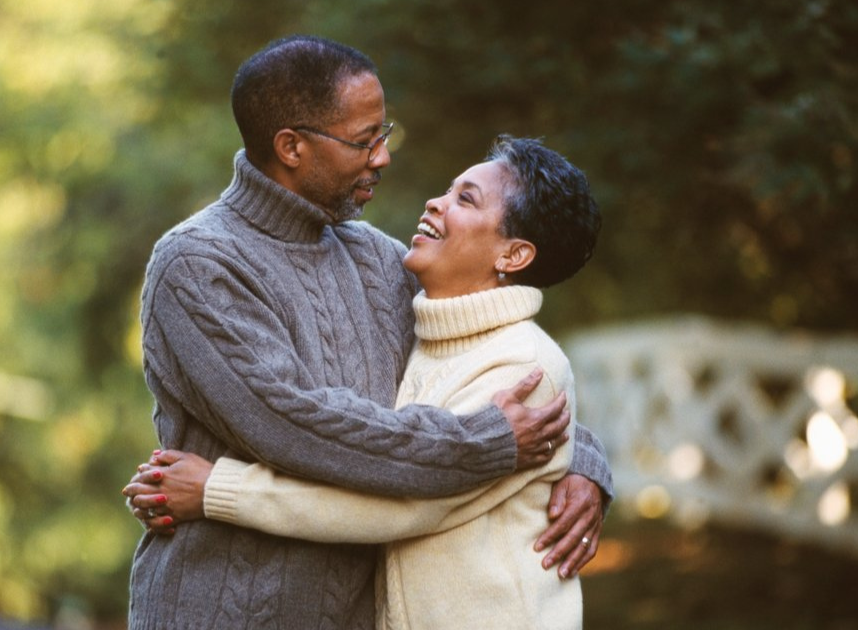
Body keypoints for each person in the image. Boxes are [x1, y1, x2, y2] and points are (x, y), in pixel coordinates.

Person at [125, 35, 612, 630]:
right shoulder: (199, 265)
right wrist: (490, 445)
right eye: (365, 140)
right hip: (224, 611)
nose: (383, 156)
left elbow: (489, 357)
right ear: (292, 147)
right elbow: (296, 427)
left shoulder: (379, 260)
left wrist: (579, 458)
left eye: (385, 133)